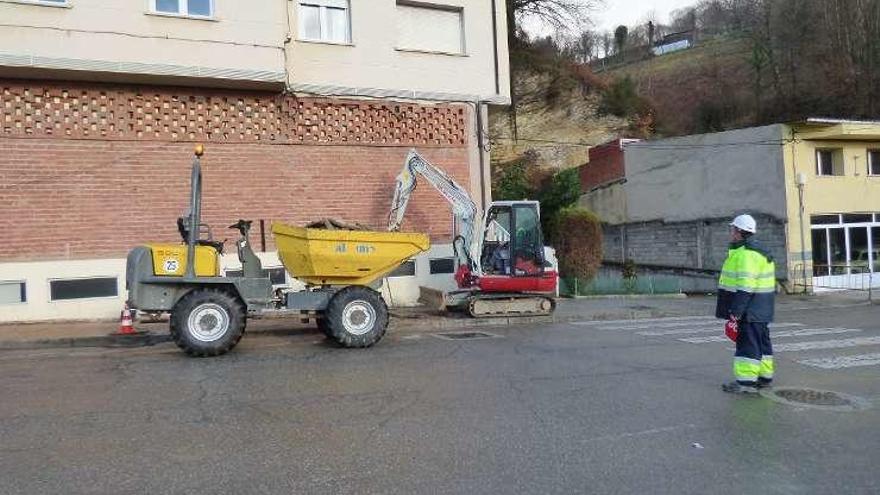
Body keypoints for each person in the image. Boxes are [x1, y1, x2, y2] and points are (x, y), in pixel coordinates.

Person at [716, 214, 777, 395]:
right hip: (761, 309)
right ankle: (764, 377)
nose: (731, 232)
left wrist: (735, 312)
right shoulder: (759, 252)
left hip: (750, 311)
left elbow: (745, 287)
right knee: (762, 344)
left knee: (747, 345)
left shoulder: (746, 255)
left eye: (733, 229)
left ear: (739, 232)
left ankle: (746, 383)